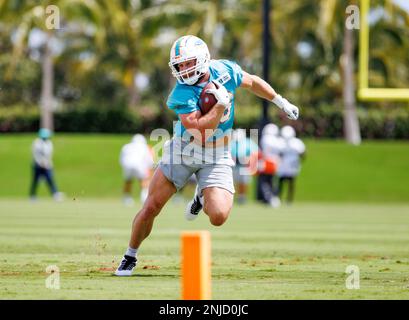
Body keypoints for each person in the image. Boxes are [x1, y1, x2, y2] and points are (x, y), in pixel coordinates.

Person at [115, 35, 299, 276]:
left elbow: (252, 82)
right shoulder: (181, 93)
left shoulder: (223, 69)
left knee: (219, 216)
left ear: (202, 59)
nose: (183, 69)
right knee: (151, 206)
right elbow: (200, 130)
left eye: (188, 63)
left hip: (218, 153)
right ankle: (130, 255)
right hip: (184, 150)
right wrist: (220, 106)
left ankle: (201, 197)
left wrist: (280, 101)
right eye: (179, 65)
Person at [119, 134, 154, 205]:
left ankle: (126, 198)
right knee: (144, 180)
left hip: (127, 164)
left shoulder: (126, 146)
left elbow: (121, 158)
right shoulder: (146, 147)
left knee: (128, 181)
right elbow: (149, 160)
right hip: (139, 165)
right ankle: (144, 198)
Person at [29, 128, 63, 201]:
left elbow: (49, 155)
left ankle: (55, 194)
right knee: (35, 181)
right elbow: (35, 155)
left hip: (47, 166)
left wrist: (47, 163)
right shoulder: (36, 143)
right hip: (37, 166)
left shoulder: (49, 143)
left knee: (50, 179)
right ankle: (32, 196)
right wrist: (40, 162)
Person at [258, 123, 285, 207]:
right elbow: (281, 152)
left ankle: (268, 198)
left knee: (264, 181)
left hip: (266, 162)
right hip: (276, 162)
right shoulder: (278, 140)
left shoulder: (265, 139)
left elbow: (262, 151)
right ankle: (274, 197)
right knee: (272, 181)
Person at [277, 126, 306, 204]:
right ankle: (280, 198)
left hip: (290, 165)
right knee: (282, 182)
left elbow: (303, 153)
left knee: (289, 183)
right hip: (284, 165)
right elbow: (303, 154)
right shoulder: (281, 142)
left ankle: (288, 199)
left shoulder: (296, 142)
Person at [230, 129, 259, 204]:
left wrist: (249, 158)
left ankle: (242, 197)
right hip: (234, 165)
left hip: (244, 165)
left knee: (243, 182)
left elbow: (255, 152)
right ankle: (232, 197)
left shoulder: (248, 142)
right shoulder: (232, 142)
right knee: (232, 182)